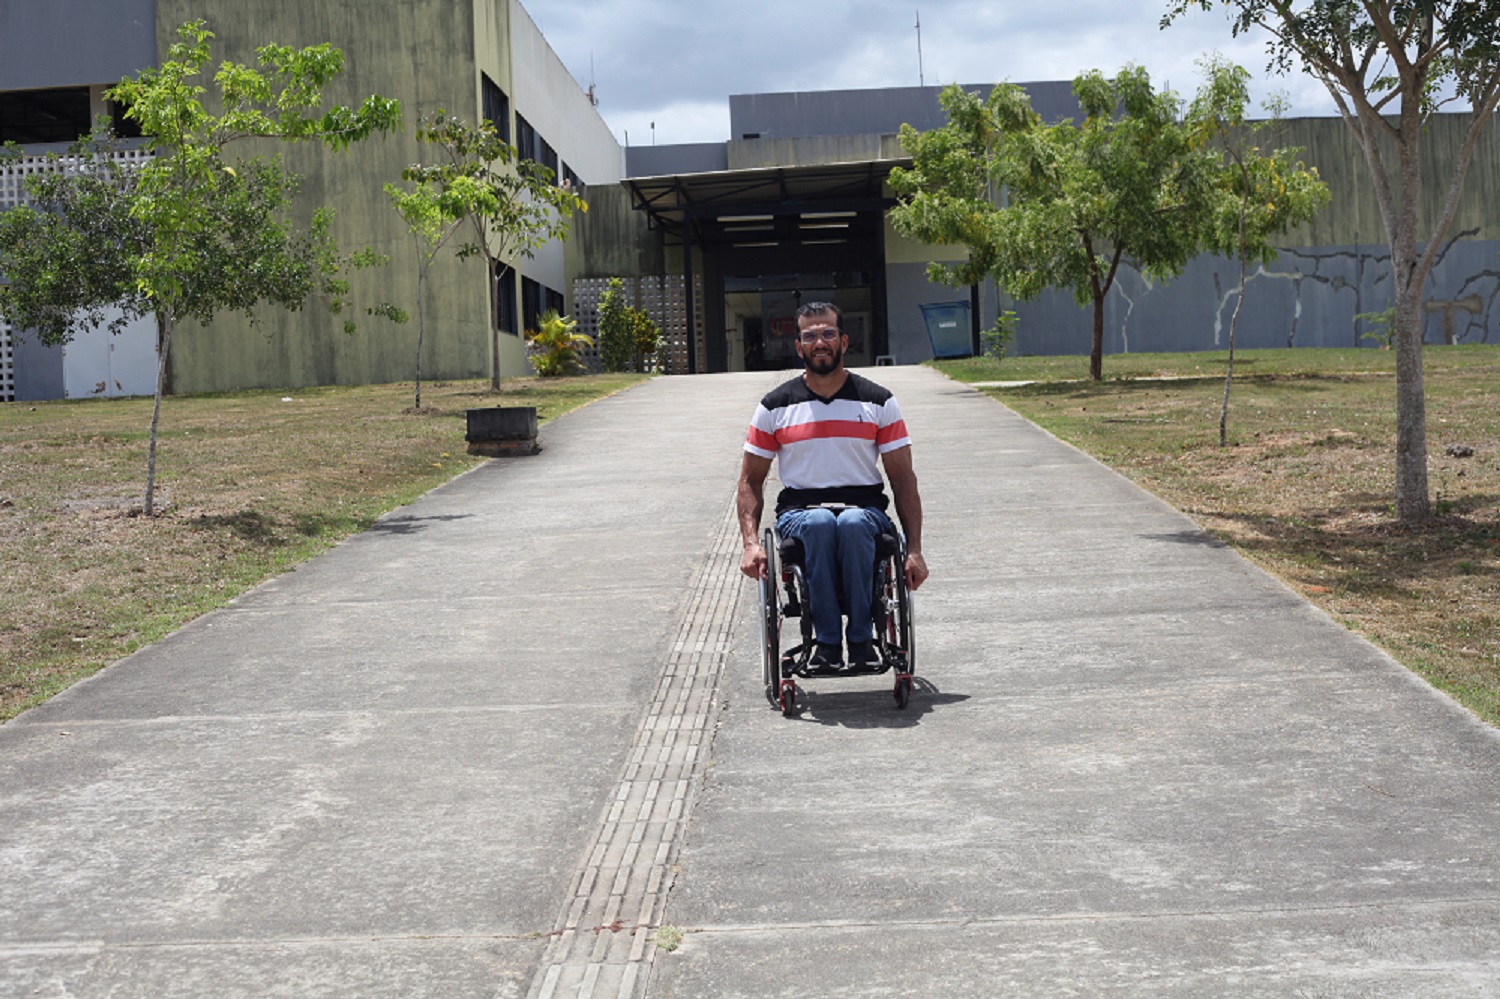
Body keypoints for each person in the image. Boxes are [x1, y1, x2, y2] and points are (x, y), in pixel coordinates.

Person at [737, 302, 929, 668]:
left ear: (843, 340)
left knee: (853, 523)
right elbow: (750, 480)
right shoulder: (774, 407)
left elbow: (903, 478)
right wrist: (749, 544)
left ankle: (860, 642)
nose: (819, 342)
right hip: (800, 513)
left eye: (827, 334)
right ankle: (825, 644)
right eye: (809, 336)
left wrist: (914, 549)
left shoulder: (879, 401)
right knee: (821, 523)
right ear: (798, 346)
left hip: (865, 510)